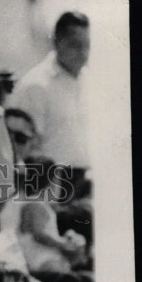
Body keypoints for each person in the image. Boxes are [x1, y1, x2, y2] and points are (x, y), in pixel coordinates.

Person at [9, 11, 90, 185]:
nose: (83, 53)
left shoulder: (89, 80)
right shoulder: (36, 85)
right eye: (75, 45)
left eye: (86, 45)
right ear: (57, 42)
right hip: (50, 183)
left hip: (84, 181)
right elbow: (21, 150)